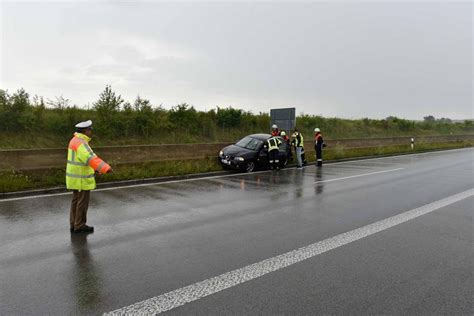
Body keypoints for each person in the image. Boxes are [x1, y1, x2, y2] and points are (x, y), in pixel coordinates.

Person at [66, 120, 112, 233]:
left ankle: (74, 224)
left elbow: (83, 160)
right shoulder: (81, 143)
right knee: (82, 202)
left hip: (75, 178)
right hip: (81, 179)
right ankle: (80, 225)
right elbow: (90, 158)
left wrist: (95, 169)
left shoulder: (74, 140)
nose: (91, 132)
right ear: (85, 131)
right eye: (90, 130)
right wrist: (105, 168)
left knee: (76, 201)